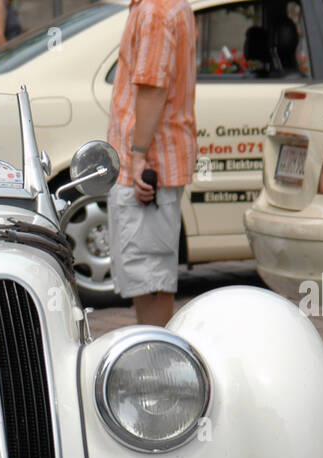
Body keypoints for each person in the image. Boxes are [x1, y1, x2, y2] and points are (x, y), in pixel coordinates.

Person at [105, 0, 196, 326]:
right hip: (154, 162)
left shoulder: (155, 10)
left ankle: (157, 368)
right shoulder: (163, 6)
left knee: (151, 281)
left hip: (148, 167)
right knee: (149, 278)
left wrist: (138, 156)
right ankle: (155, 361)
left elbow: (151, 88)